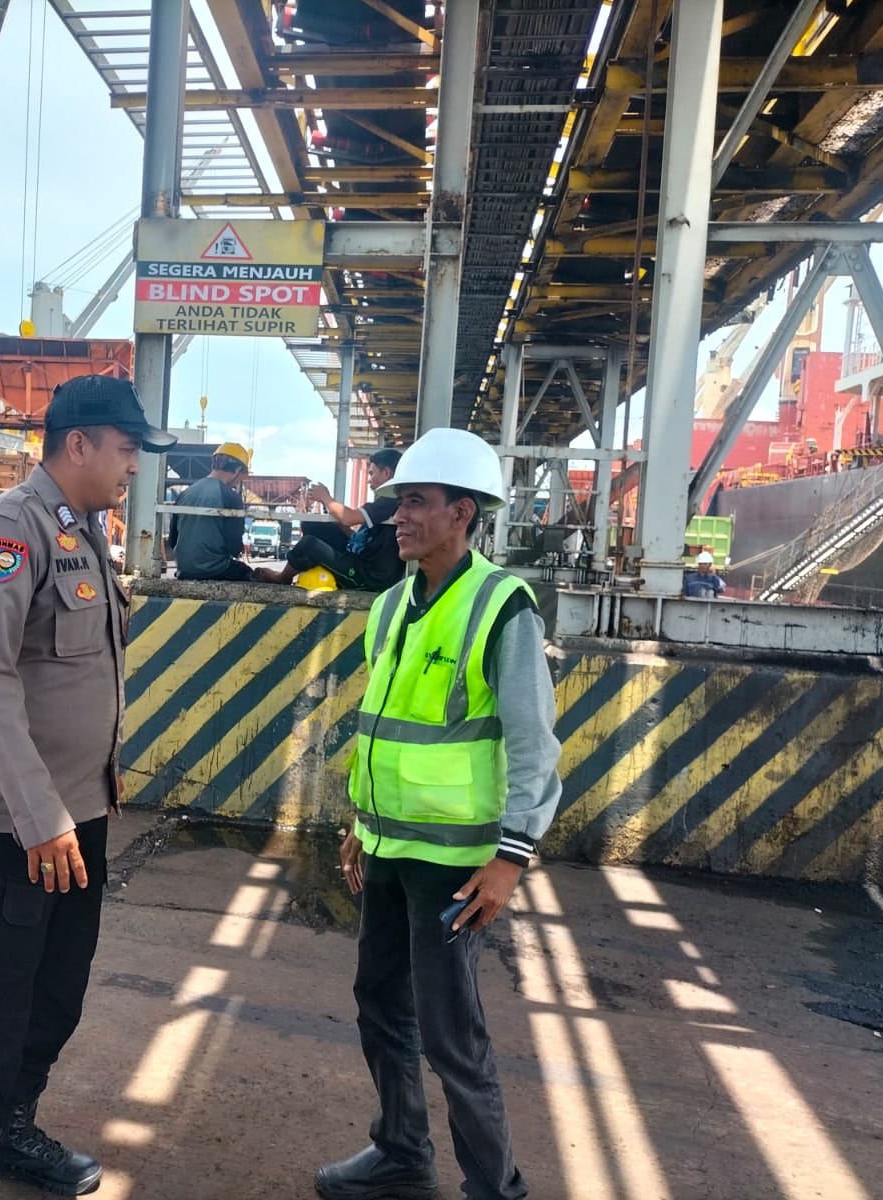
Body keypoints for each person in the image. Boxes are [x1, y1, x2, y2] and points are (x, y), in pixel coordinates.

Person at [0, 374, 175, 1200]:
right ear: (79, 444)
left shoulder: (85, 532)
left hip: (76, 821)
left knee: (52, 999)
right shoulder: (10, 528)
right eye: (127, 449)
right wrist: (40, 817)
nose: (134, 466)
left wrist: (77, 809)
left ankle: (7, 1132)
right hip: (11, 831)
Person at [318, 427, 562, 1200]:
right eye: (399, 502)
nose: (399, 516)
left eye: (418, 501)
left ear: (463, 512)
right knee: (379, 1004)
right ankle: (401, 1151)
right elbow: (384, 725)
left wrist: (511, 856)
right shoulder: (392, 605)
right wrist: (360, 821)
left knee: (453, 1033)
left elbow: (533, 743)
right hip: (388, 847)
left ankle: (496, 1188)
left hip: (454, 865)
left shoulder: (501, 607)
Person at [254, 448, 404, 592]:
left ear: (386, 473)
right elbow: (362, 539)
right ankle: (310, 570)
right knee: (316, 526)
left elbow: (348, 518)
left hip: (367, 578)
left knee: (309, 545)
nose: (369, 481)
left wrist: (326, 498)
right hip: (361, 561)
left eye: (372, 474)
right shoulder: (387, 503)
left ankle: (282, 578)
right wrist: (339, 525)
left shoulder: (389, 502)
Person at [167, 441, 253, 581]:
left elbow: (173, 540)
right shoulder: (231, 497)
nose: (238, 481)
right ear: (237, 470)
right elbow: (234, 547)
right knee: (248, 573)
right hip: (216, 570)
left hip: (184, 570)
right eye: (241, 476)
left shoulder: (185, 493)